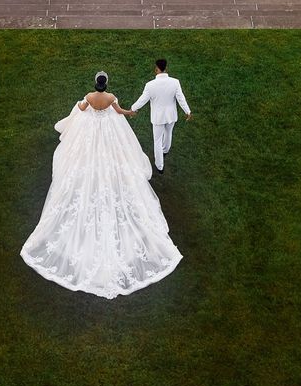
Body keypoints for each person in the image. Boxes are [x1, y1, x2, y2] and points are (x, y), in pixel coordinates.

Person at [20, 71, 182, 299]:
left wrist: (80, 105)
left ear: (95, 84)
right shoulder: (110, 98)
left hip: (92, 132)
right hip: (107, 133)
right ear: (106, 85)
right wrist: (129, 112)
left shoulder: (89, 96)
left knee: (86, 159)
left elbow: (83, 109)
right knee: (113, 159)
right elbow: (117, 112)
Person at [131, 59, 192, 173]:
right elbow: (181, 98)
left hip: (158, 118)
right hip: (171, 116)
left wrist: (133, 109)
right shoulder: (175, 82)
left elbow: (142, 100)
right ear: (166, 68)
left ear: (156, 69)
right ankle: (165, 151)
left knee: (157, 141)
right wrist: (187, 111)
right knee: (168, 133)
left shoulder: (150, 85)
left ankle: (160, 166)